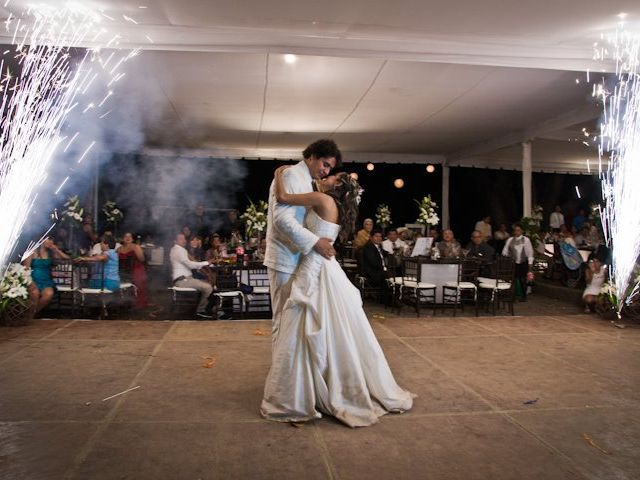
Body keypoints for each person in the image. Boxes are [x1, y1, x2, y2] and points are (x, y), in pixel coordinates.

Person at [261, 166, 413, 427]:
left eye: (331, 177)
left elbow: (284, 199)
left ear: (336, 186)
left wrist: (277, 173)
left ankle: (300, 395)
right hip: (322, 264)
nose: (325, 177)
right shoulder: (335, 205)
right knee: (326, 325)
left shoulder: (322, 199)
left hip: (313, 266)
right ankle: (322, 385)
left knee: (302, 324)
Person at [263, 139, 341, 344]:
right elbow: (282, 220)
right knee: (283, 319)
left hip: (299, 258)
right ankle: (282, 375)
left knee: (295, 322)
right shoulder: (291, 175)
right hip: (284, 259)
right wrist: (316, 242)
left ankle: (292, 374)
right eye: (325, 164)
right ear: (312, 156)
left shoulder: (307, 180)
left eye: (330, 169)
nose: (326, 171)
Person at [170, 232, 216, 318]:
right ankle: (201, 310)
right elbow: (190, 264)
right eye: (181, 239)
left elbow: (192, 263)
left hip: (185, 279)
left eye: (184, 239)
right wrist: (207, 262)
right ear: (175, 241)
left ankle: (209, 308)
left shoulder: (176, 249)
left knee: (209, 283)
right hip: (183, 280)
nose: (184, 241)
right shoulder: (179, 250)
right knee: (208, 287)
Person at [22, 237, 69, 313]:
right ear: (41, 239)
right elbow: (25, 269)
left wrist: (56, 249)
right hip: (32, 279)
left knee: (49, 294)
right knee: (35, 294)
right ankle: (29, 315)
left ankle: (31, 314)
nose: (51, 241)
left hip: (46, 280)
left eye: (52, 240)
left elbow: (67, 259)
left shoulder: (50, 252)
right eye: (49, 239)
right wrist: (30, 282)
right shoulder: (31, 251)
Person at [502, 224, 534, 301]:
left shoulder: (526, 240)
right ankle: (512, 297)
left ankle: (523, 296)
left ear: (522, 231)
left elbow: (530, 253)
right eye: (515, 230)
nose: (516, 232)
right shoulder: (510, 240)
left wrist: (530, 266)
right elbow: (504, 251)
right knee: (512, 280)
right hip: (513, 262)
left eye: (518, 230)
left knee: (522, 280)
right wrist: (506, 258)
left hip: (523, 262)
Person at [118, 232, 148, 309]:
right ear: (122, 239)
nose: (128, 238)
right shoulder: (119, 249)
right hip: (125, 272)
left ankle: (139, 304)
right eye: (126, 236)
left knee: (138, 284)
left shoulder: (136, 247)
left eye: (129, 236)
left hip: (136, 269)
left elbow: (142, 259)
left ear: (132, 239)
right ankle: (127, 303)